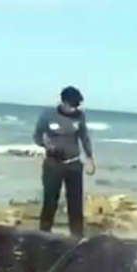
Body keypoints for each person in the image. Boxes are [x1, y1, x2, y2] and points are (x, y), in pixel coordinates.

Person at [33, 86, 96, 237]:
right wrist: (46, 145)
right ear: (64, 102)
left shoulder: (80, 116)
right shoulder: (48, 115)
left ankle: (77, 237)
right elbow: (37, 136)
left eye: (77, 106)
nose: (74, 109)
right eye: (72, 105)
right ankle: (44, 235)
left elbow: (84, 137)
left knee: (75, 204)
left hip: (74, 165)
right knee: (50, 201)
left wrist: (90, 158)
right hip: (53, 164)